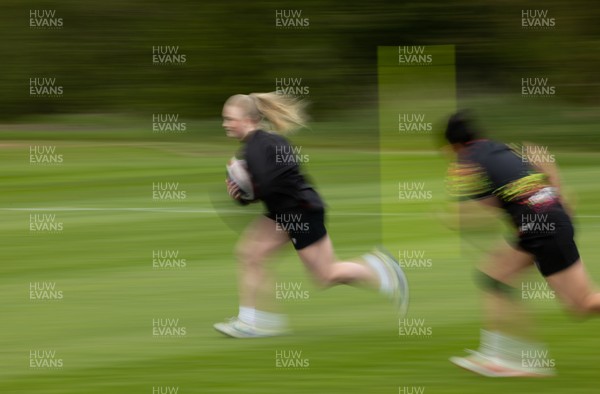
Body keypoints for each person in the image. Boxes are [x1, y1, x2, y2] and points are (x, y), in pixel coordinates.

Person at [214, 92, 409, 338]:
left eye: (230, 118)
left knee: (326, 275)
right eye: (225, 119)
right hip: (288, 211)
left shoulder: (258, 147)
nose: (225, 124)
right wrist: (242, 195)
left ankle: (382, 269)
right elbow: (272, 185)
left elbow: (270, 185)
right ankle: (253, 321)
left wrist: (246, 192)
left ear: (248, 119)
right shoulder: (264, 143)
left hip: (299, 213)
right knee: (250, 254)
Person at [444, 110, 600, 377]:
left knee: (583, 304)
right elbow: (543, 179)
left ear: (453, 145)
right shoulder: (505, 149)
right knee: (494, 276)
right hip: (547, 221)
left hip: (540, 229)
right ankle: (504, 356)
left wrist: (453, 218)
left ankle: (508, 358)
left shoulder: (467, 162)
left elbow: (480, 212)